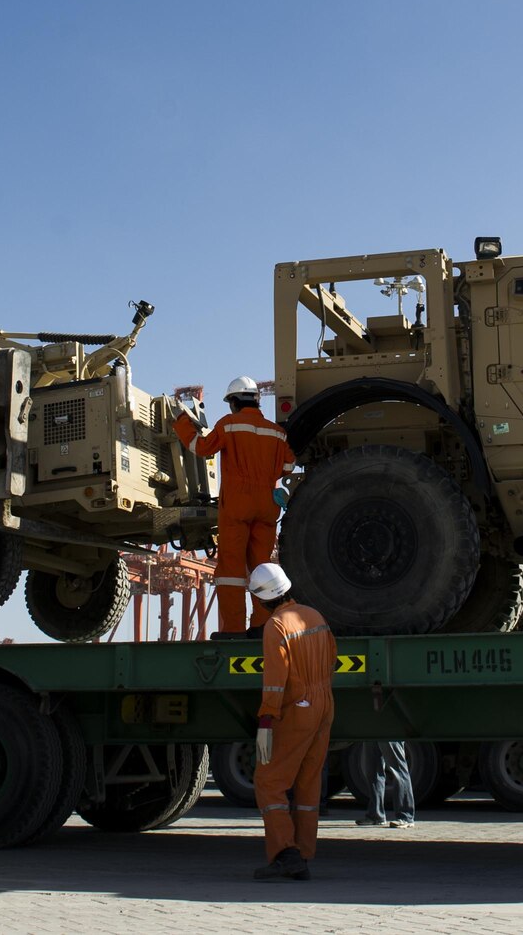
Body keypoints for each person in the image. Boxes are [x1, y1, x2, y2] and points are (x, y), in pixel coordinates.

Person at [172, 377, 296, 636]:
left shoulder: (229, 425)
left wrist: (182, 423)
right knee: (262, 567)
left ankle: (234, 630)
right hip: (267, 506)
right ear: (256, 400)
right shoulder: (277, 432)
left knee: (231, 570)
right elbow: (289, 465)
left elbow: (202, 448)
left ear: (234, 402)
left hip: (237, 507)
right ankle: (263, 626)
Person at [247, 562, 335, 881]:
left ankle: (286, 852)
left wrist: (267, 720)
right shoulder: (314, 616)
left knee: (269, 781)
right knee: (308, 782)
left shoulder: (276, 626)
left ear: (261, 599)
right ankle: (303, 854)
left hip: (298, 707)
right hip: (324, 703)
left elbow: (275, 680)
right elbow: (333, 659)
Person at [357, 741, 416, 829]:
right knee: (372, 770)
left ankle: (406, 817)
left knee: (397, 769)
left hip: (390, 729)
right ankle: (375, 815)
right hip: (371, 729)